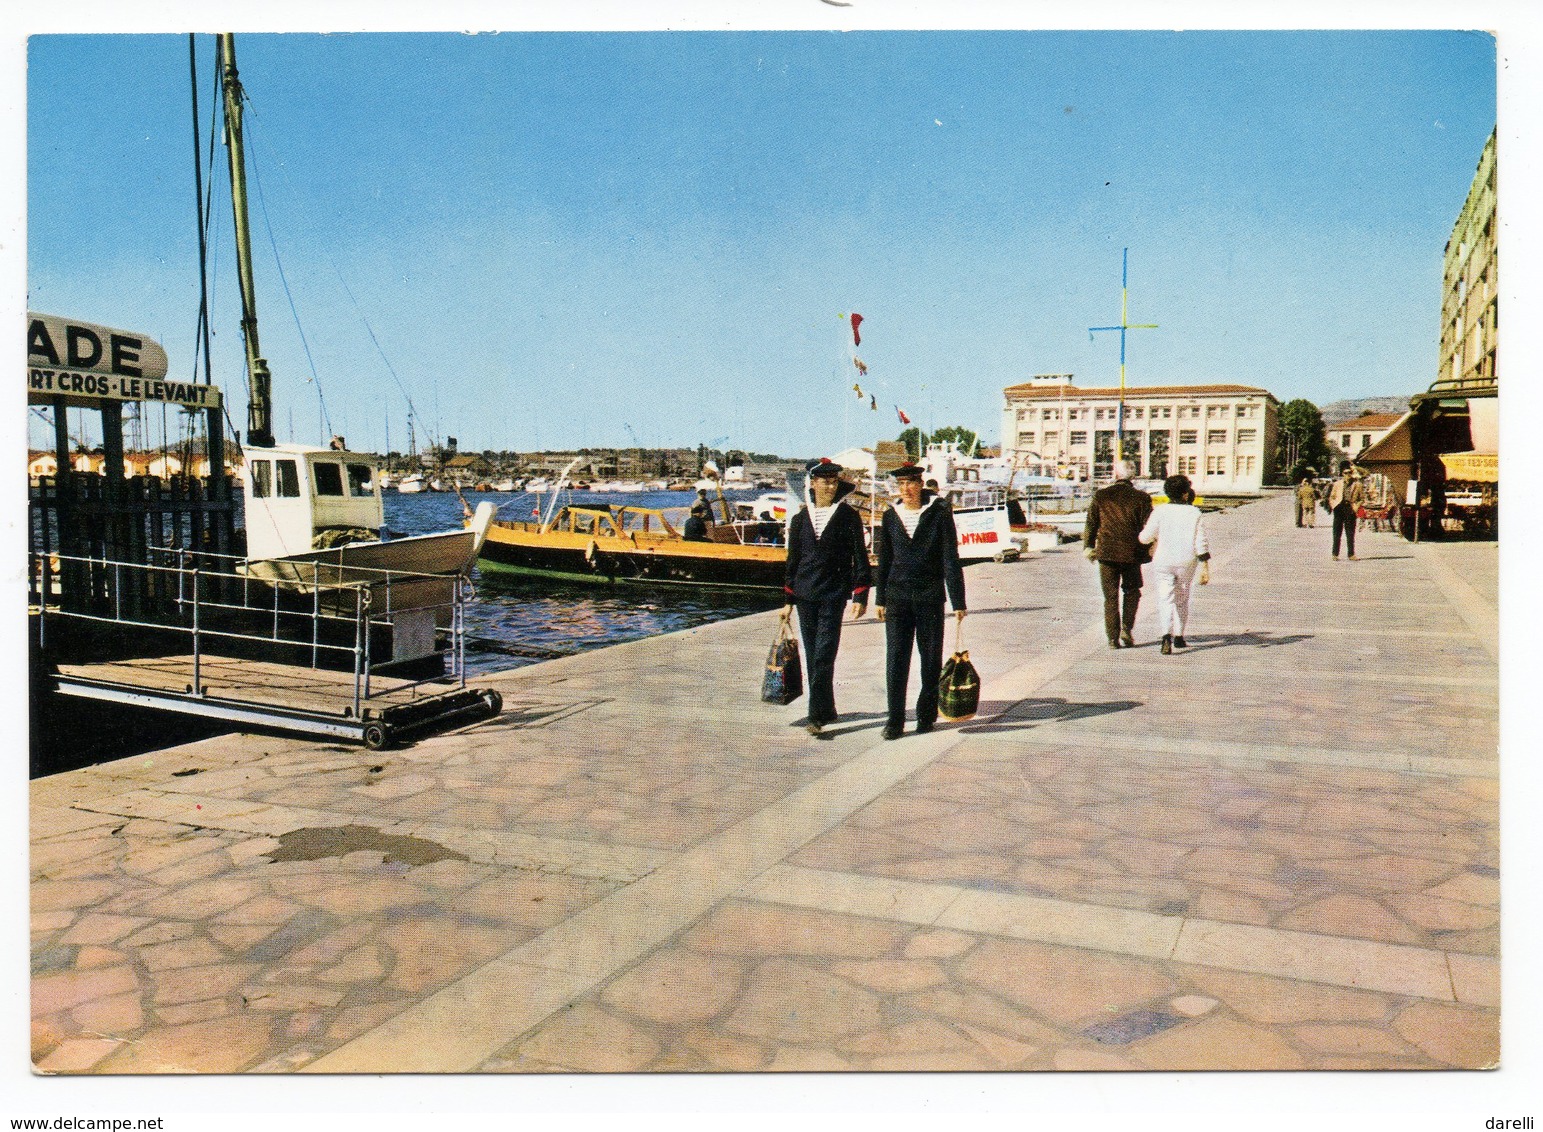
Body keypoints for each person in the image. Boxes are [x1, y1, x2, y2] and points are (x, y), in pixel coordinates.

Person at [875, 463, 966, 740]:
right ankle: (895, 720)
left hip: (929, 597)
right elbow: (885, 560)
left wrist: (958, 600)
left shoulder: (939, 514)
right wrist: (879, 598)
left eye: (911, 484)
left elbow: (950, 558)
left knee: (930, 659)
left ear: (921, 484)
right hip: (897, 597)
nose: (907, 490)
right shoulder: (891, 516)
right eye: (901, 485)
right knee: (896, 659)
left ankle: (926, 715)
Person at [782, 459, 871, 735]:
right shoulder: (799, 519)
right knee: (813, 655)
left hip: (833, 594)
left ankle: (815, 716)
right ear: (814, 484)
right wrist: (787, 599)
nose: (830, 486)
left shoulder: (848, 517)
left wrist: (860, 595)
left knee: (824, 654)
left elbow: (860, 557)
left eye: (834, 481)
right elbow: (793, 560)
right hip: (805, 595)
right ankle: (827, 707)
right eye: (825, 481)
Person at [1139, 474, 1212, 655]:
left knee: (1165, 598)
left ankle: (1166, 636)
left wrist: (1155, 538)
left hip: (1163, 560)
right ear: (1186, 494)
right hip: (1186, 561)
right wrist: (1205, 565)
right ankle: (1179, 636)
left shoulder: (1160, 511)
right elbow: (1200, 541)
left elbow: (1144, 537)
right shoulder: (1194, 513)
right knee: (1182, 597)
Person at [1084, 460, 1153, 648]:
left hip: (1106, 553)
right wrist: (1148, 550)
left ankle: (1112, 638)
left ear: (1116, 475)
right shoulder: (1142, 498)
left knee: (1110, 596)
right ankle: (1126, 629)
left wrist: (1088, 546)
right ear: (1134, 476)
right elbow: (1149, 527)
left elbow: (1091, 523)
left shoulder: (1101, 495)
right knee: (1132, 592)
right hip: (1131, 553)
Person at [1328, 464, 1365, 560]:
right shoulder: (1337, 484)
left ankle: (1351, 554)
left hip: (1350, 508)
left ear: (1352, 474)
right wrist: (1334, 505)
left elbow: (1361, 498)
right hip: (1339, 508)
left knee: (1350, 533)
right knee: (1336, 533)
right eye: (1345, 473)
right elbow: (1332, 496)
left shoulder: (1357, 485)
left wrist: (1356, 507)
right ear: (1342, 474)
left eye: (1349, 473)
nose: (1347, 475)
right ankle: (1335, 554)